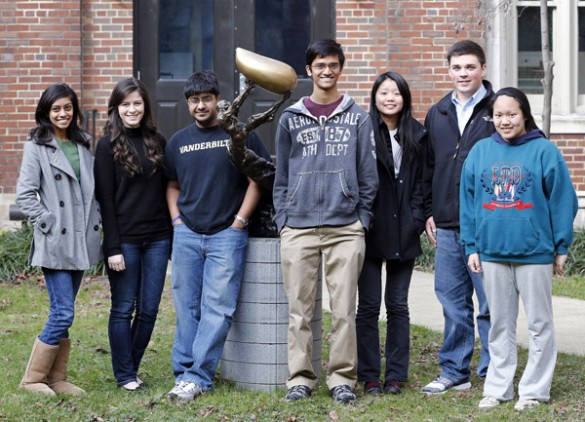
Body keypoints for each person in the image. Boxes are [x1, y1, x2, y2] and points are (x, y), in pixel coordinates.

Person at [273, 38, 378, 404]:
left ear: (340, 68)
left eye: (333, 65)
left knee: (344, 310)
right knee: (299, 311)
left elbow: (368, 174)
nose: (327, 71)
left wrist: (362, 219)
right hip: (298, 227)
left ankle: (342, 379)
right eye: (320, 65)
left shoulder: (357, 117)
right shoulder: (290, 118)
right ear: (309, 70)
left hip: (345, 228)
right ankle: (300, 378)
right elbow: (281, 174)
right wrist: (284, 218)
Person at [460, 87, 578, 412]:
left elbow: (562, 200)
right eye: (498, 115)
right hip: (492, 252)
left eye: (511, 114)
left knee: (539, 324)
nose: (505, 121)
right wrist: (471, 245)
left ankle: (534, 390)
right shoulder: (480, 152)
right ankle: (498, 388)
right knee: (499, 324)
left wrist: (561, 246)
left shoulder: (544, 151)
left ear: (524, 114)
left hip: (534, 253)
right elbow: (467, 203)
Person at [164, 70, 270, 401]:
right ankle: (184, 371)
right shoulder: (178, 142)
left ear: (218, 100)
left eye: (206, 99)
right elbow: (172, 185)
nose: (200, 106)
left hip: (227, 234)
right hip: (187, 234)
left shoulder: (238, 134)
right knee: (186, 306)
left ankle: (198, 376)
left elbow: (257, 179)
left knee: (218, 308)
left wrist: (239, 221)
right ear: (188, 104)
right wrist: (177, 221)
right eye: (194, 100)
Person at [16, 83, 102, 396]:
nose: (62, 113)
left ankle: (56, 378)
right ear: (46, 112)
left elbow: (90, 193)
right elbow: (25, 195)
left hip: (80, 240)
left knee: (66, 311)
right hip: (56, 240)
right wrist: (47, 223)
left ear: (74, 111)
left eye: (67, 107)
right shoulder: (36, 145)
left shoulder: (83, 144)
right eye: (56, 109)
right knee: (62, 311)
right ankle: (31, 380)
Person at [421, 39, 494, 394]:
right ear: (448, 70)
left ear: (483, 69)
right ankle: (455, 371)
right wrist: (429, 210)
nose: (463, 73)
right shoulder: (438, 113)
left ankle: (494, 371)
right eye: (456, 67)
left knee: (491, 303)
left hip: (487, 225)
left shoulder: (498, 109)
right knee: (453, 302)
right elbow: (428, 167)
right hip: (448, 225)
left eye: (470, 67)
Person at [94, 78, 172, 391]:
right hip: (124, 240)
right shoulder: (106, 146)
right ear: (116, 108)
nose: (132, 109)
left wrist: (172, 236)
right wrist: (112, 247)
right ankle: (125, 374)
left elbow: (167, 190)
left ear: (145, 106)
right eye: (125, 104)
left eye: (137, 103)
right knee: (123, 308)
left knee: (149, 309)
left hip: (158, 238)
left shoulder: (158, 140)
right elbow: (105, 200)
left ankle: (131, 367)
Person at [356, 71, 427, 395]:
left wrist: (417, 217)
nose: (390, 98)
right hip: (370, 229)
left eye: (396, 93)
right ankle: (370, 374)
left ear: (404, 98)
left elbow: (422, 182)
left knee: (398, 305)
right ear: (374, 97)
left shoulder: (418, 134)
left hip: (404, 229)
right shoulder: (364, 131)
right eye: (384, 92)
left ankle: (396, 375)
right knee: (368, 306)